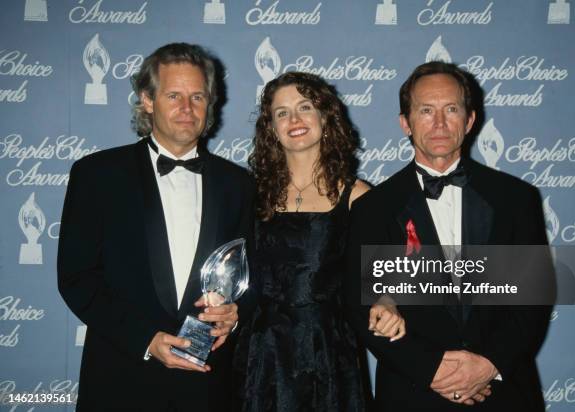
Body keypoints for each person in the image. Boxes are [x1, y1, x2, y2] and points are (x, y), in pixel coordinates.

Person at [345, 61, 552, 411]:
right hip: (413, 394)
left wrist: (487, 365)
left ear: (469, 120)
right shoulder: (373, 208)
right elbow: (364, 306)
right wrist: (433, 371)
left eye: (451, 109)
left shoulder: (516, 199)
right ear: (405, 123)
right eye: (426, 110)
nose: (439, 123)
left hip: (504, 394)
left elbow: (531, 302)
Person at [57, 43, 254, 410]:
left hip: (208, 387)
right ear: (147, 100)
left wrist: (236, 315)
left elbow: (252, 277)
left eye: (198, 96)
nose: (187, 108)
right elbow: (77, 277)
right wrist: (145, 339)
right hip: (121, 380)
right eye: (174, 95)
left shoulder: (239, 184)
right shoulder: (97, 175)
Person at [233, 72, 405, 412]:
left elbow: (384, 272)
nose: (294, 120)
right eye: (281, 113)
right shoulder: (249, 194)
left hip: (326, 350)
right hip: (260, 351)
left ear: (325, 116)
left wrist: (388, 301)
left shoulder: (358, 195)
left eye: (304, 107)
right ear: (271, 127)